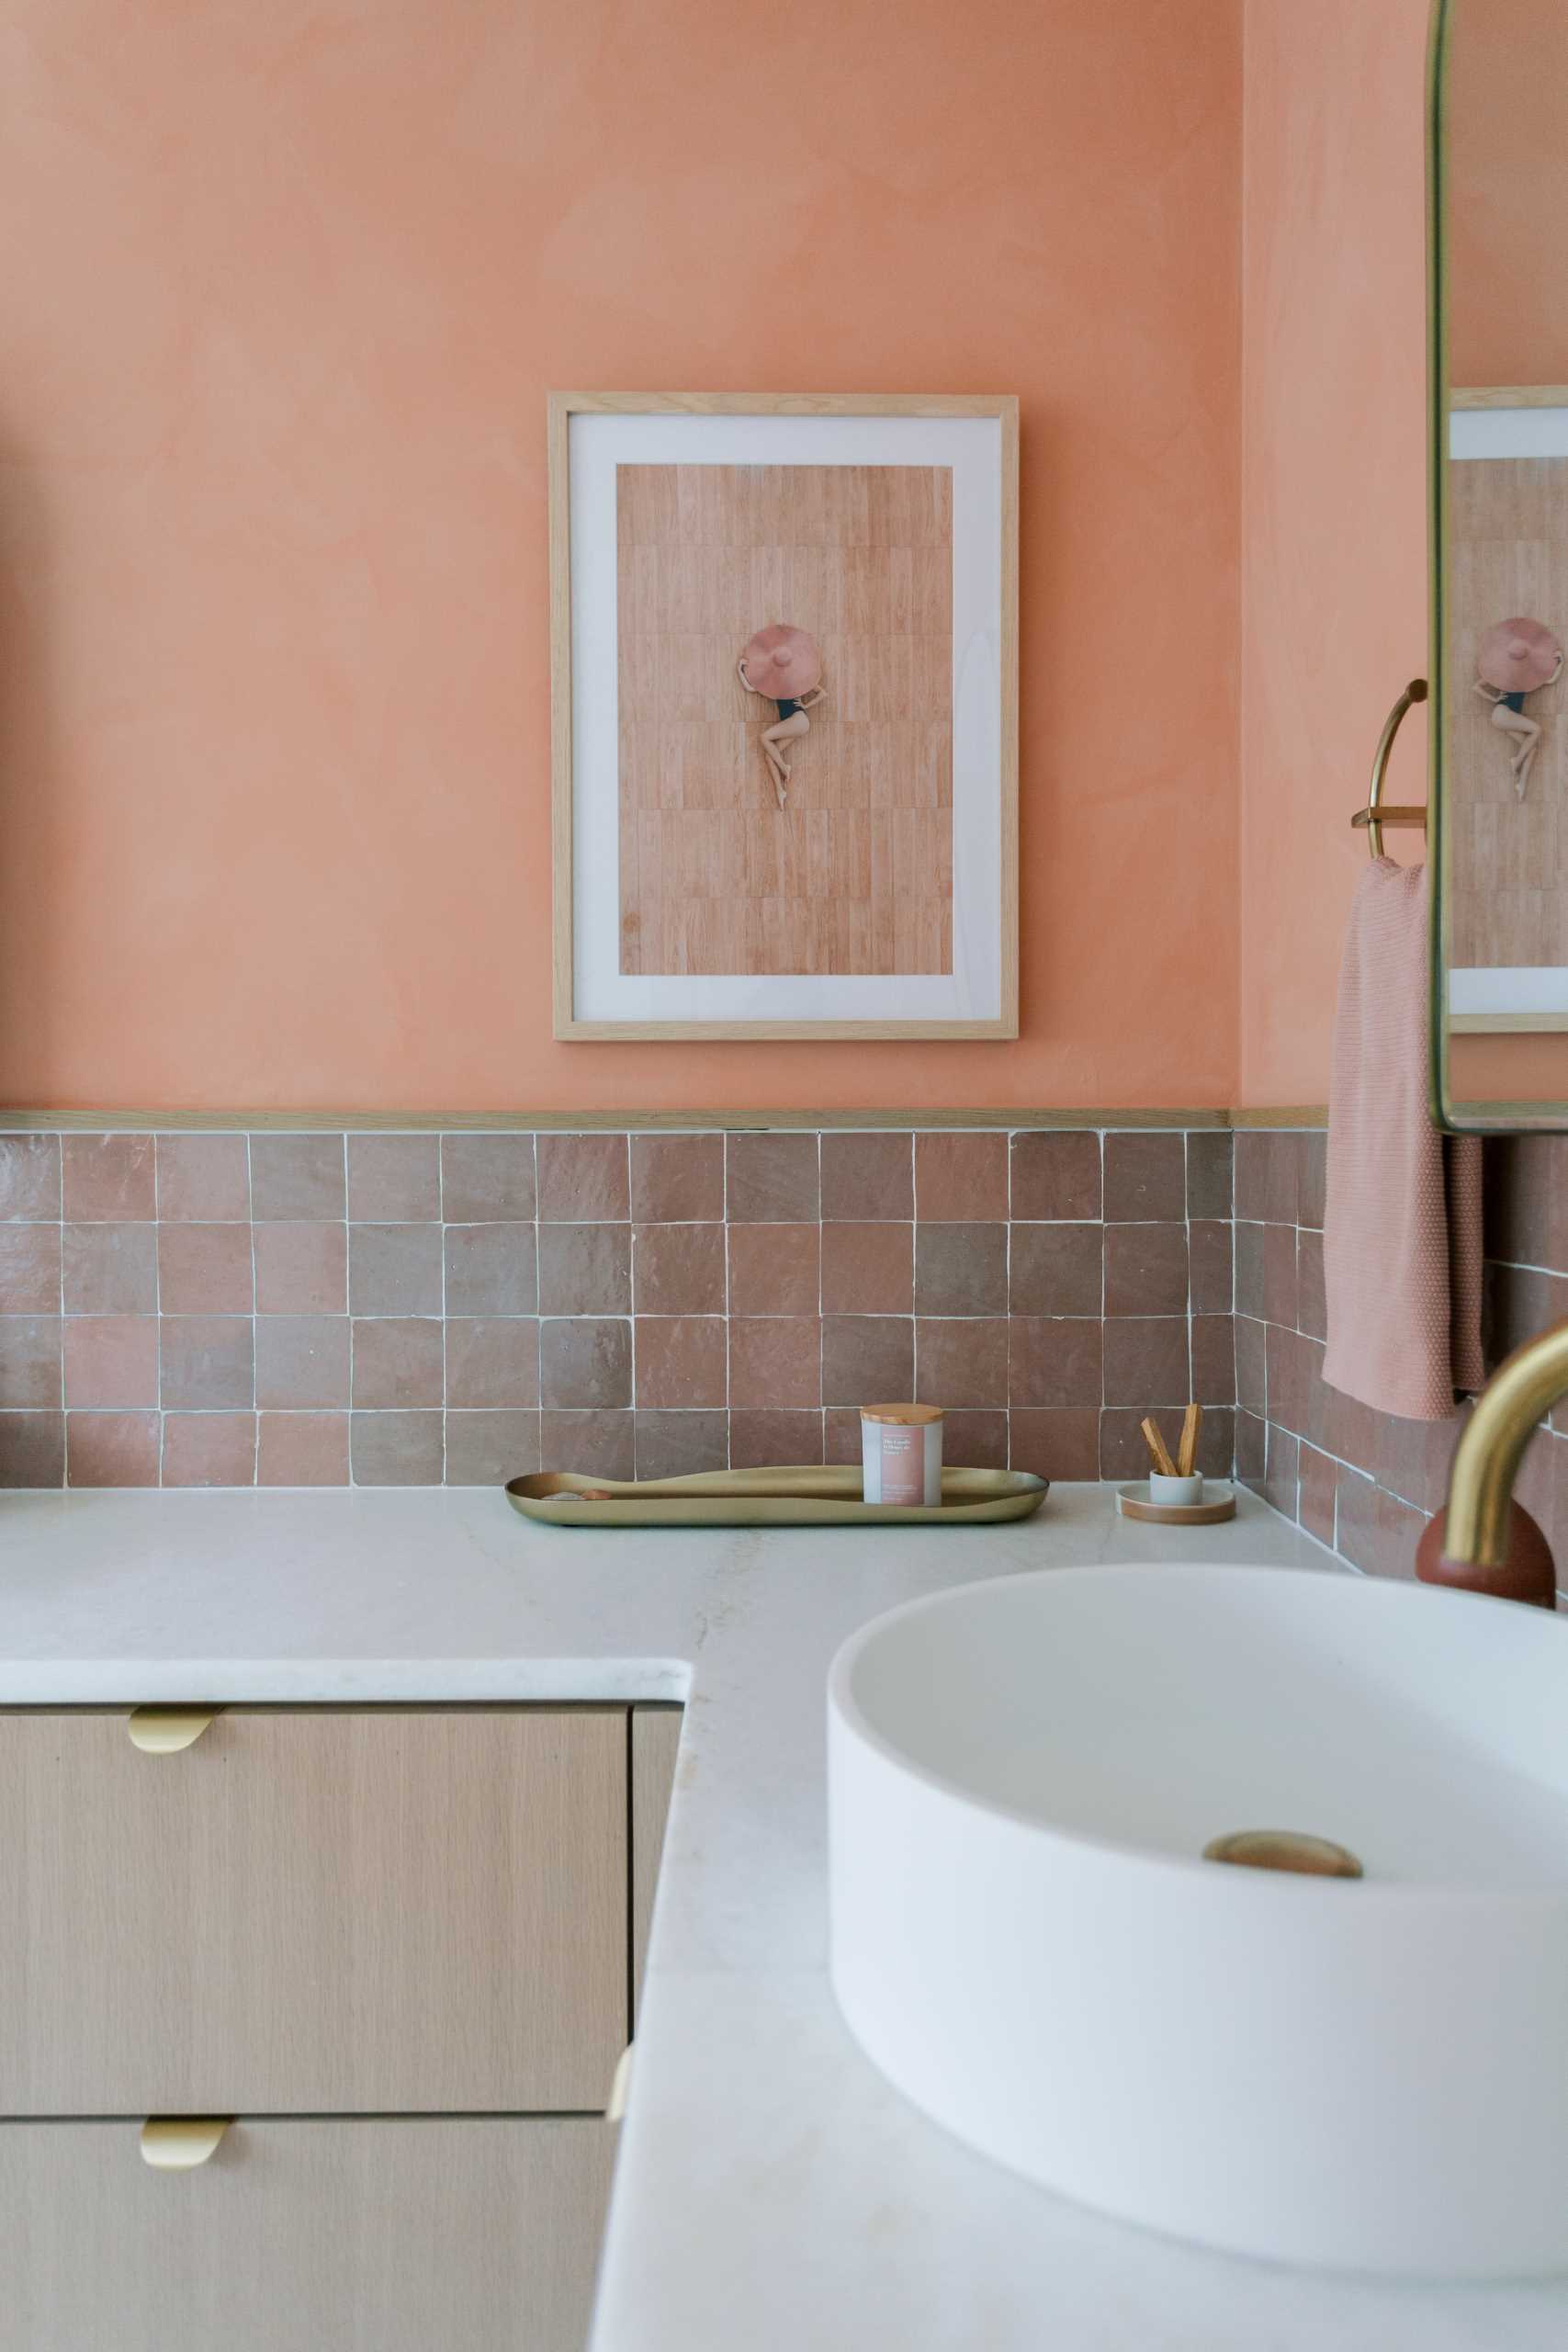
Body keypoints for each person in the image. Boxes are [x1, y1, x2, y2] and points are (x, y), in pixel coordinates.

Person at [737, 624, 828, 808]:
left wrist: (805, 704)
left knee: (764, 738)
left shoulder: (797, 679)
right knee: (770, 755)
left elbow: (823, 694)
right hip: (797, 722)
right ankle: (780, 791)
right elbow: (750, 688)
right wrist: (740, 670)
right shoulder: (775, 682)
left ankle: (785, 767)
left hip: (798, 720)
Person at [1475, 618, 1564, 799]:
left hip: (1505, 717)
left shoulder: (1527, 675)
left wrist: (1561, 663)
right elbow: (1476, 687)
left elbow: (1550, 680)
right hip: (1502, 714)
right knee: (1537, 730)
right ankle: (1516, 761)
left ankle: (1521, 784)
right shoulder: (1501, 672)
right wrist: (1494, 698)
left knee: (1531, 747)